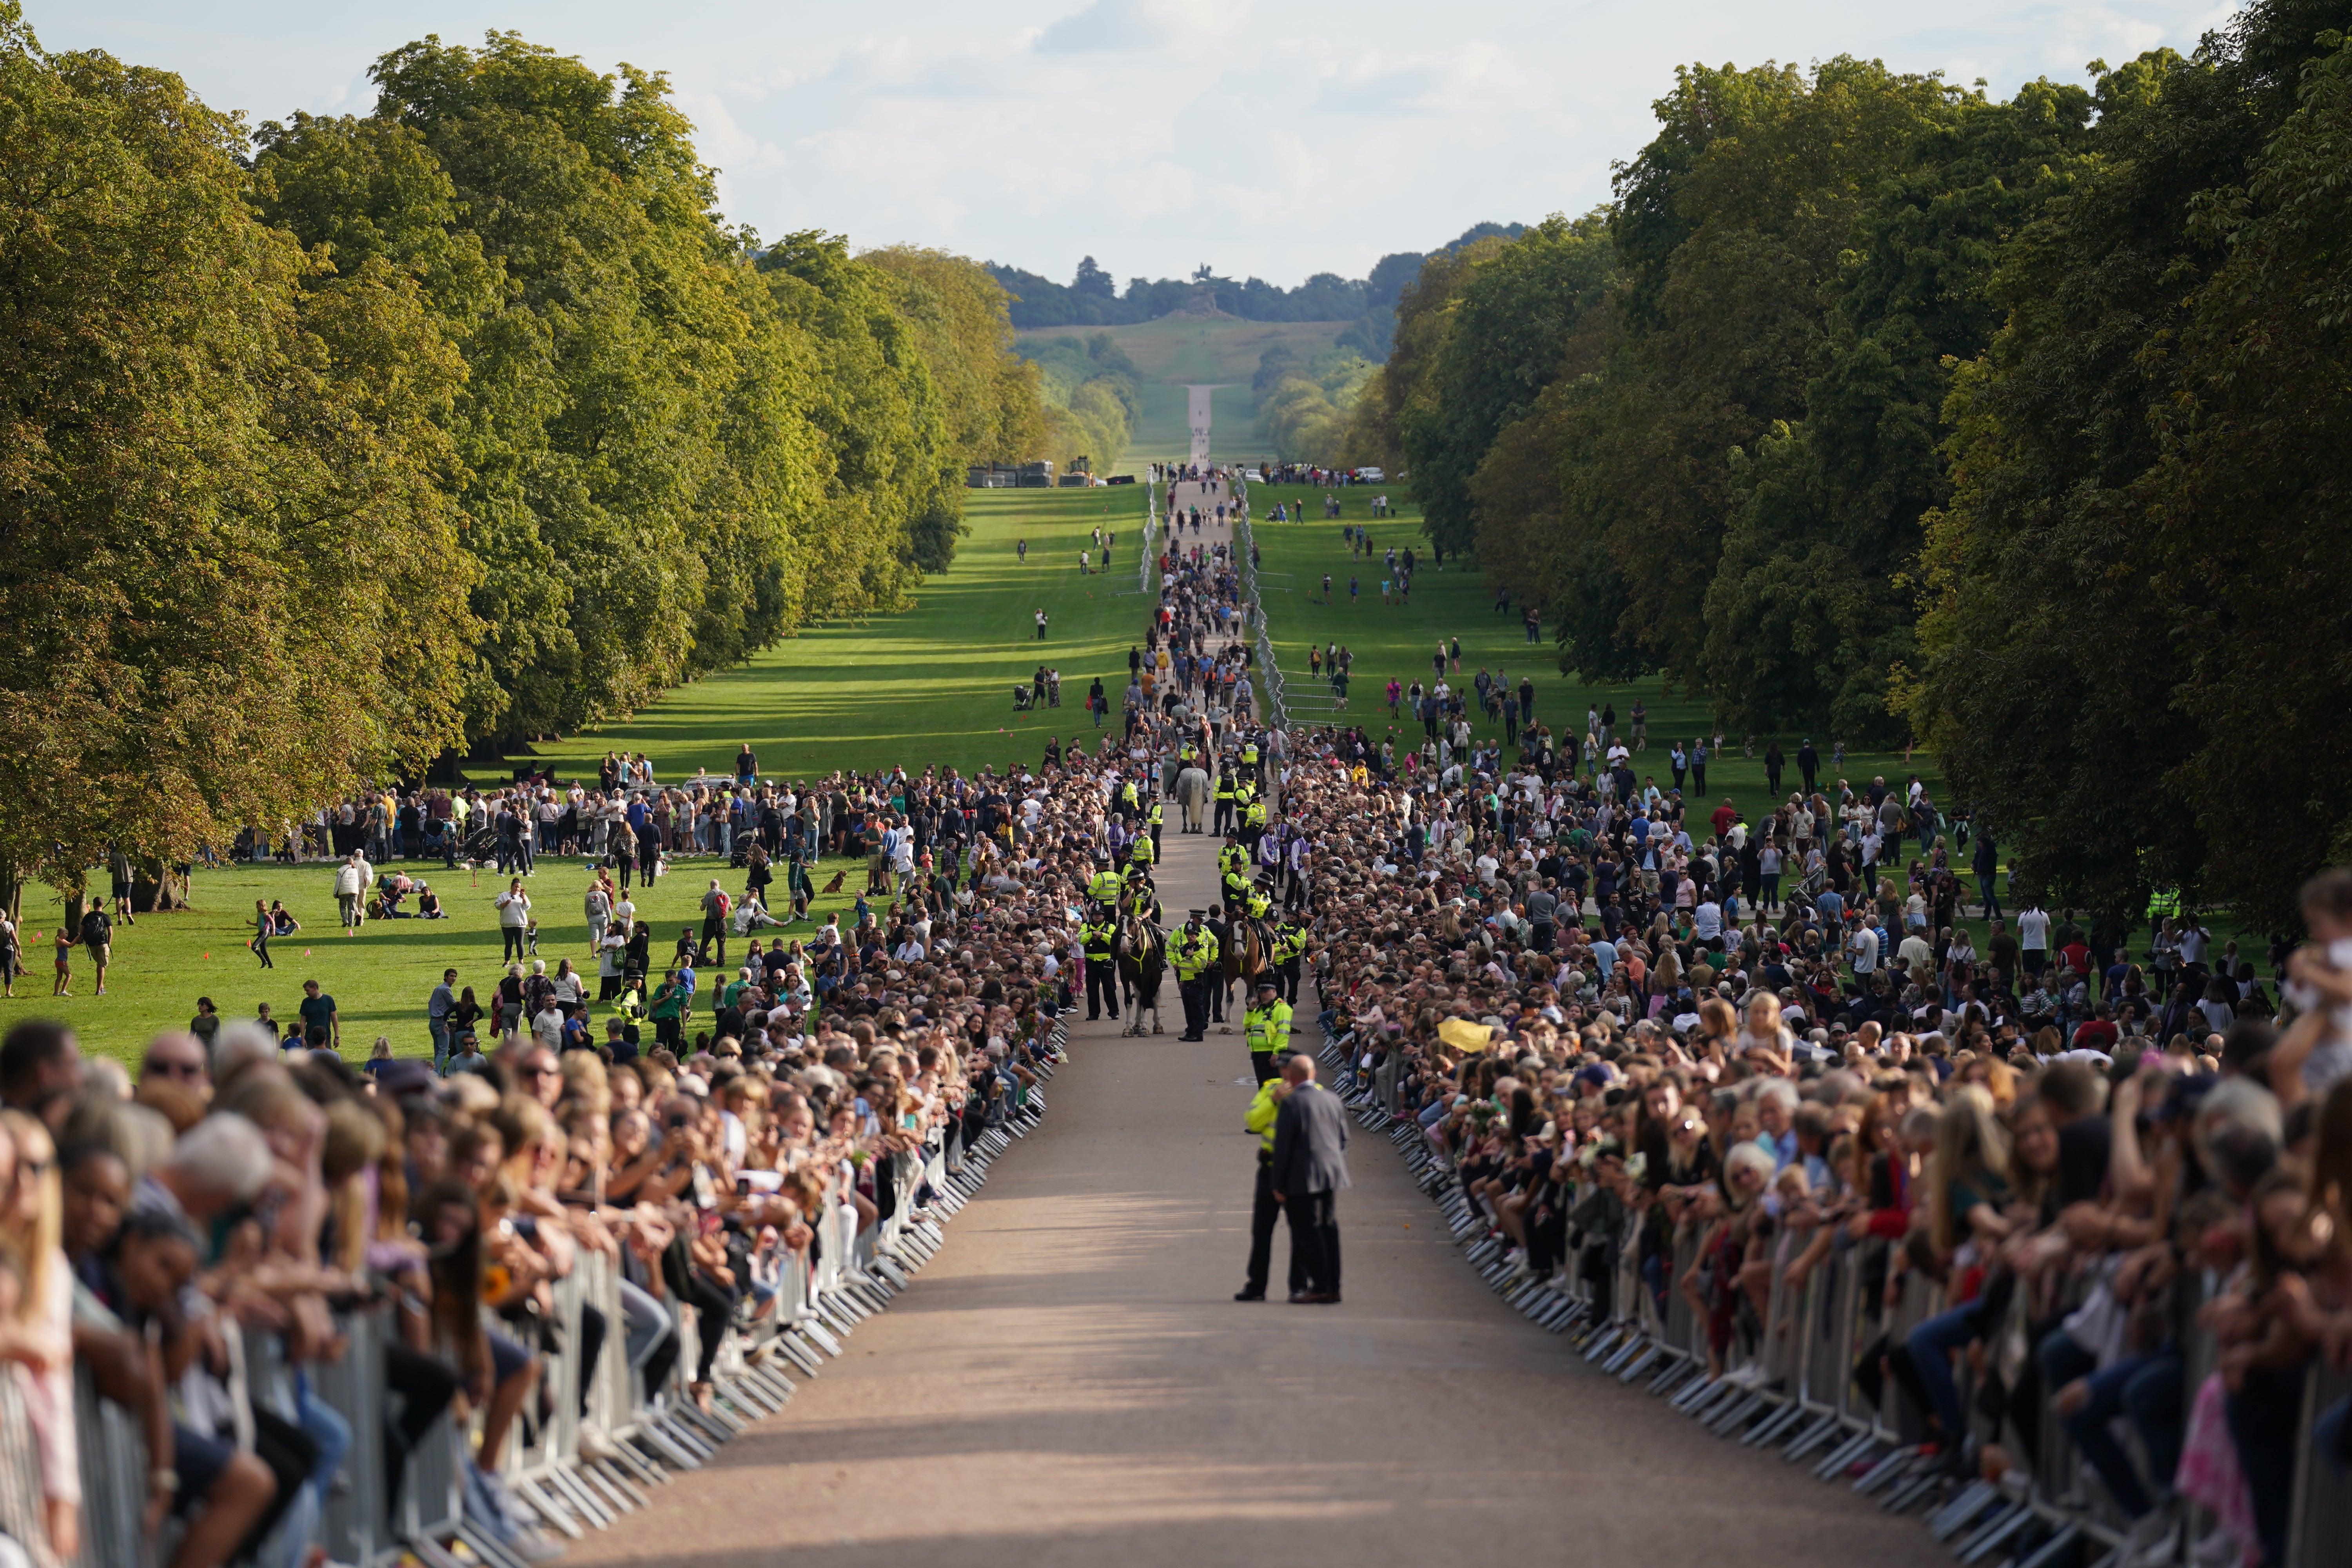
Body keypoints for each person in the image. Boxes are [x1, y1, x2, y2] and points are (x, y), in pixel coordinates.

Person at [1268, 1053, 1348, 1304]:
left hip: (1302, 1177)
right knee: (1328, 1229)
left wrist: (1278, 1184)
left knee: (1308, 1233)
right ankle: (1333, 1285)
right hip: (1331, 1173)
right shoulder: (1332, 1099)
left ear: (1290, 1076)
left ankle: (1321, 1285)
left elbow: (1283, 1148)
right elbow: (1343, 1138)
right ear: (1313, 1075)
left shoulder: (1292, 1104)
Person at [1236, 1070, 1294, 1301]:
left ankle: (1299, 1285)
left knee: (1301, 1232)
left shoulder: (1315, 1094)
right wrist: (1273, 1100)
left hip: (1299, 1171)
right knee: (1261, 1230)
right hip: (1270, 1167)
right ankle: (1256, 1285)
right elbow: (1253, 1122)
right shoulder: (1271, 1088)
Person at [496, 877, 531, 963]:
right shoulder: (504, 895)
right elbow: (497, 906)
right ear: (512, 886)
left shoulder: (522, 896)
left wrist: (524, 899)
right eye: (516, 887)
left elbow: (528, 907)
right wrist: (505, 904)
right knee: (509, 944)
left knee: (520, 944)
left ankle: (521, 962)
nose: (517, 889)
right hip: (507, 924)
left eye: (519, 887)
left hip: (520, 924)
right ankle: (507, 962)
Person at [80, 902, 111, 996]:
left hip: (91, 944)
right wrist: (108, 945)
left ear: (94, 905)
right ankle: (99, 991)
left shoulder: (88, 916)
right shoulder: (105, 916)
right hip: (102, 943)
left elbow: (81, 931)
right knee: (102, 965)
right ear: (103, 904)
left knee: (99, 965)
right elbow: (110, 932)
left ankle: (102, 987)